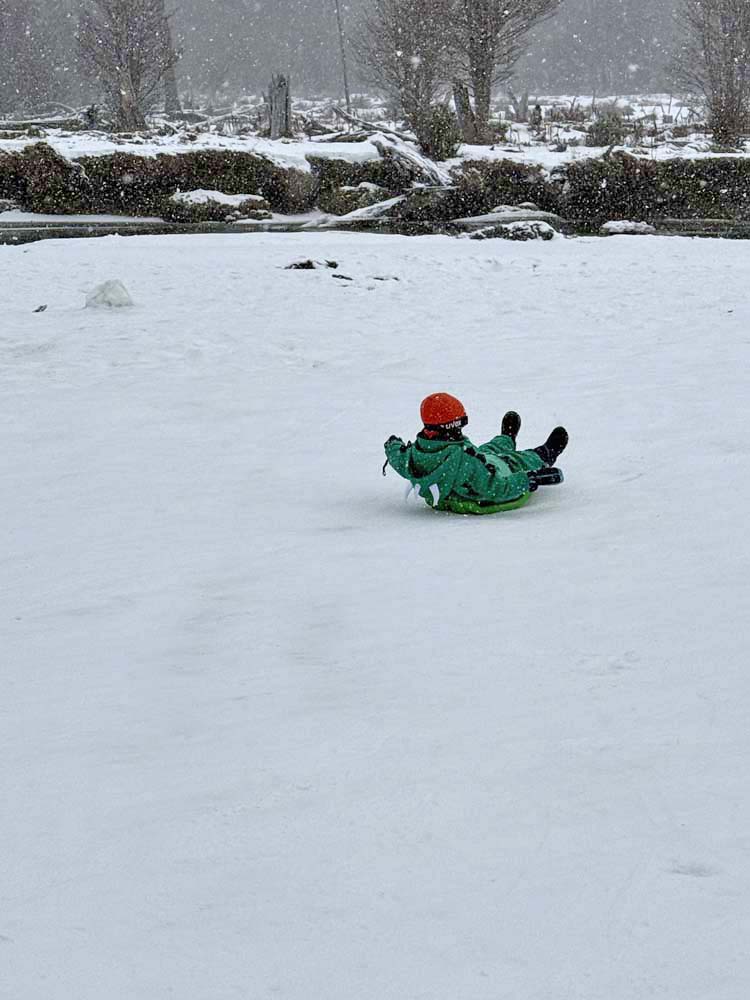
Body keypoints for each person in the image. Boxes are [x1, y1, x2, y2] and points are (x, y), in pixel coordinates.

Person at [383, 393, 568, 514]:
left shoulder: (415, 452)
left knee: (486, 451)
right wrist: (529, 479)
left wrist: (393, 445)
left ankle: (506, 438)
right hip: (479, 484)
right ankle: (545, 453)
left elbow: (398, 457)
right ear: (452, 427)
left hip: (458, 482)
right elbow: (496, 488)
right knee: (512, 461)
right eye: (460, 426)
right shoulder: (466, 462)